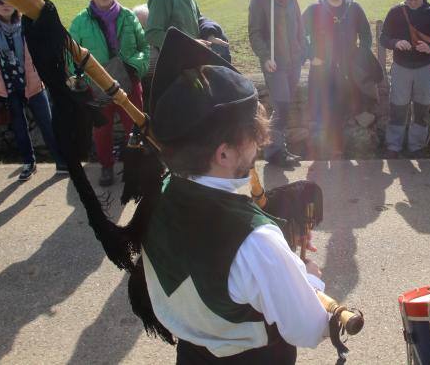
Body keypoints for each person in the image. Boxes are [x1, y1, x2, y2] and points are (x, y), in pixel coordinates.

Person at [141, 29, 329, 363]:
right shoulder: (257, 241)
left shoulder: (156, 199)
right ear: (224, 155)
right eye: (252, 137)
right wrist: (310, 278)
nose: (259, 145)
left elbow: (206, 263)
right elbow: (309, 328)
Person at [0, 0, 67, 180]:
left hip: (33, 82)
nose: (5, 5)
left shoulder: (28, 22)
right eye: (0, 2)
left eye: (9, 1)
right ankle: (29, 163)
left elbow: (44, 45)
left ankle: (61, 160)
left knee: (48, 123)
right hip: (7, 87)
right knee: (19, 127)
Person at [69, 0, 149, 187]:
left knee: (135, 127)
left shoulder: (128, 16)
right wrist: (83, 80)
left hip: (128, 82)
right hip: (97, 86)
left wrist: (136, 66)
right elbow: (70, 55)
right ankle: (106, 167)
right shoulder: (80, 22)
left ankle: (136, 166)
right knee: (102, 130)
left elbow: (144, 46)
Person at [303, 0, 372, 158]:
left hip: (346, 70)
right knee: (320, 109)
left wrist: (361, 55)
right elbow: (298, 36)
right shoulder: (314, 10)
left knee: (339, 109)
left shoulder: (354, 9)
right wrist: (311, 54)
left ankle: (337, 150)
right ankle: (319, 151)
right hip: (321, 70)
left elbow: (366, 34)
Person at [379, 0, 430, 158]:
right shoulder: (395, 12)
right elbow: (383, 38)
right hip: (401, 66)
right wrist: (396, 42)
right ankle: (394, 146)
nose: (413, 2)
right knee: (398, 107)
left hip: (424, 67)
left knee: (421, 108)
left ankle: (416, 147)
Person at [248, 0, 305, 167]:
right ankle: (275, 152)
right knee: (281, 105)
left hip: (294, 63)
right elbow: (254, 34)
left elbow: (300, 29)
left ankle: (278, 149)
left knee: (284, 107)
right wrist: (265, 57)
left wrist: (302, 52)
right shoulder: (259, 1)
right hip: (274, 64)